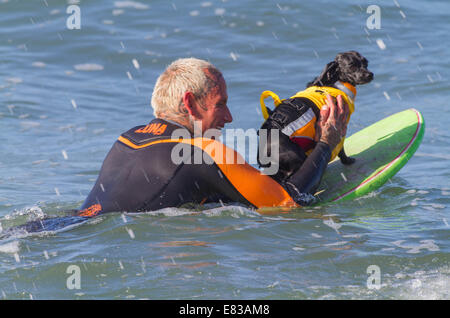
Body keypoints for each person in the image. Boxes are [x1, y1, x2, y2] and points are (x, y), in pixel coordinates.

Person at [78, 58, 349, 216]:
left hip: (65, 229)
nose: (229, 117)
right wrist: (327, 143)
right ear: (190, 103)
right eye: (221, 104)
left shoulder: (128, 139)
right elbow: (287, 204)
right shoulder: (203, 152)